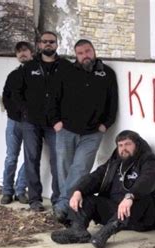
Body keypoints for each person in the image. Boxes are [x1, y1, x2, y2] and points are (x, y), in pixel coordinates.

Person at [51, 130, 155, 248]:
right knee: (85, 198)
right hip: (116, 210)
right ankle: (77, 230)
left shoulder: (149, 160)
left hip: (143, 217)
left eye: (128, 144)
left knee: (140, 199)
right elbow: (96, 176)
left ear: (137, 144)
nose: (123, 148)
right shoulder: (115, 162)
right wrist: (78, 191)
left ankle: (105, 233)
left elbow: (148, 179)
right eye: (120, 145)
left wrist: (130, 196)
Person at [49, 39, 118, 224]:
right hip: (66, 130)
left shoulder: (107, 73)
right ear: (76, 55)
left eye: (88, 51)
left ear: (94, 51)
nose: (85, 55)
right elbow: (53, 97)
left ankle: (63, 207)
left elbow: (113, 102)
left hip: (92, 133)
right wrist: (56, 122)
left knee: (80, 169)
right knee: (64, 168)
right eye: (80, 53)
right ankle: (68, 206)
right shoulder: (66, 71)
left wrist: (106, 124)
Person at [12, 31, 72, 212]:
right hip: (31, 122)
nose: (48, 44)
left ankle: (57, 199)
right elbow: (17, 92)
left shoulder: (66, 67)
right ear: (38, 45)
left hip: (56, 123)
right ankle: (35, 200)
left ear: (56, 45)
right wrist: (25, 111)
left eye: (52, 42)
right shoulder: (28, 67)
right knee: (31, 160)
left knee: (58, 161)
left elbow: (72, 93)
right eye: (44, 42)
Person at [0, 41, 34, 205]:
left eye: (25, 51)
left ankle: (20, 190)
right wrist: (14, 114)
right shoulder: (13, 75)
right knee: (11, 158)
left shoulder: (38, 74)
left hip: (31, 124)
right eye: (19, 52)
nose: (22, 54)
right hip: (14, 122)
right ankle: (7, 191)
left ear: (31, 52)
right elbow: (6, 97)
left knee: (30, 159)